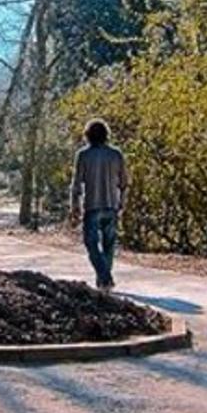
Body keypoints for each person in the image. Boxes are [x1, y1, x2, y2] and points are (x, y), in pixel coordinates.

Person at [69, 119, 128, 291]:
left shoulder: (83, 155)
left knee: (91, 243)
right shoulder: (116, 154)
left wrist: (74, 206)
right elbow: (124, 183)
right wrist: (122, 202)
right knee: (109, 245)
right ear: (106, 134)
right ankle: (104, 280)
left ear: (87, 135)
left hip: (92, 205)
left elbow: (76, 184)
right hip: (112, 205)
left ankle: (104, 278)